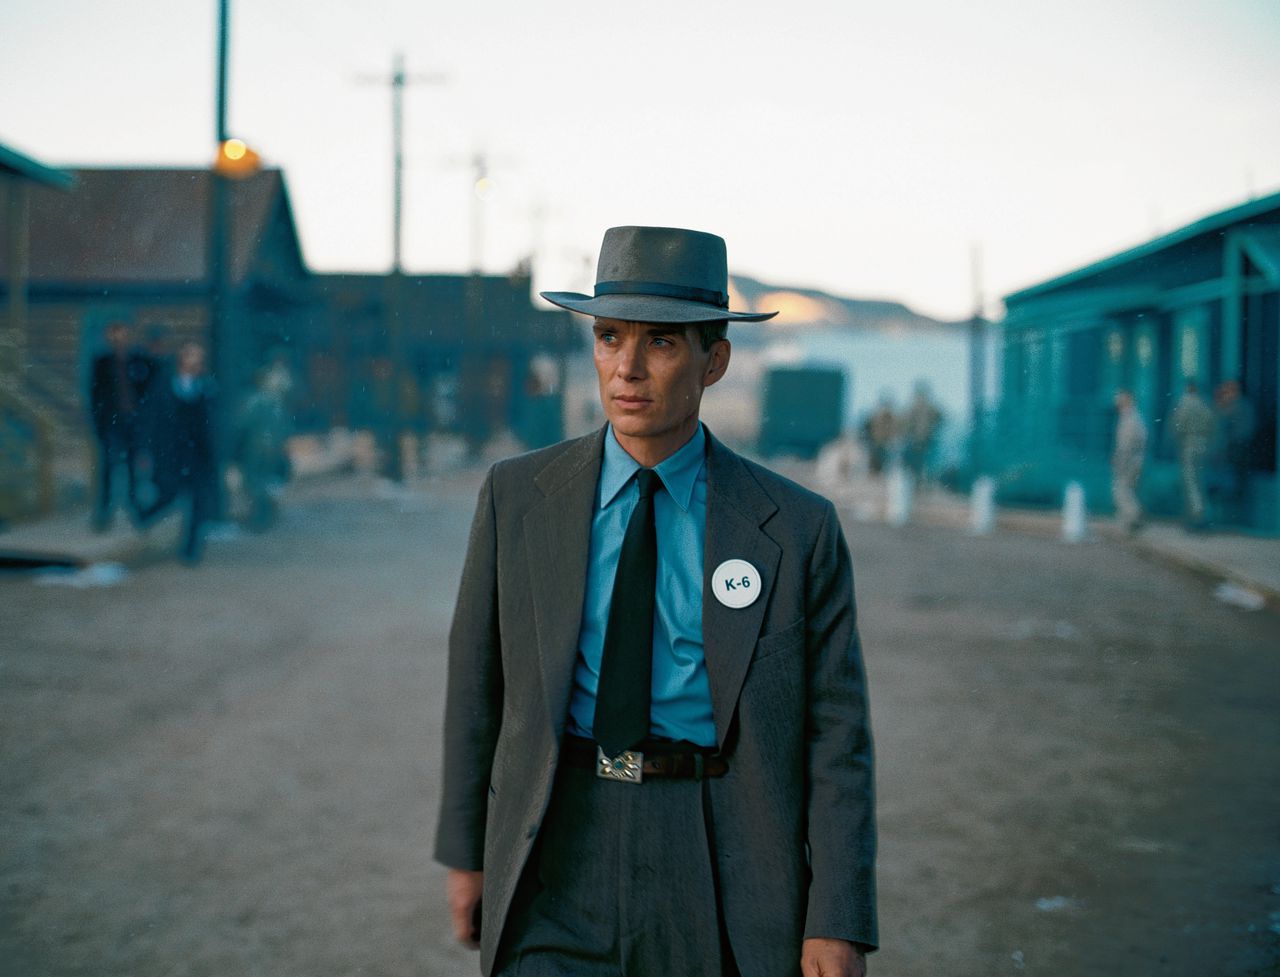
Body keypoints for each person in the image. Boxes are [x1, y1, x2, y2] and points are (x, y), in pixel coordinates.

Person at [435, 226, 877, 977]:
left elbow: (837, 738)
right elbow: (477, 686)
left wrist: (837, 916)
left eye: (662, 343)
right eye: (609, 337)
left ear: (716, 359)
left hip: (718, 849)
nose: (627, 368)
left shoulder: (796, 529)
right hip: (556, 838)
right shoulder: (518, 497)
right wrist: (467, 852)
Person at [137, 342, 218, 564]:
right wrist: (147, 450)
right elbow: (152, 421)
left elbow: (208, 425)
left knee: (198, 502)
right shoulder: (165, 387)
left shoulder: (205, 388)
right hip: (171, 454)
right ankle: (144, 515)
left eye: (199, 359)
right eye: (192, 358)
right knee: (168, 494)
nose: (196, 364)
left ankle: (191, 550)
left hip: (196, 455)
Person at [88, 321, 152, 530]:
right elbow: (96, 395)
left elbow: (145, 389)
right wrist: (100, 421)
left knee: (134, 465)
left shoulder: (138, 360)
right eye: (115, 335)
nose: (119, 339)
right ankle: (105, 510)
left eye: (123, 334)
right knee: (108, 465)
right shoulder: (102, 362)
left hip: (132, 420)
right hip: (111, 421)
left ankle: (135, 507)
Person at [1170, 379, 1215, 529]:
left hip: (1189, 445)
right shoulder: (1204, 404)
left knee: (1190, 482)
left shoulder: (1185, 404)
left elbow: (1178, 425)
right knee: (1199, 481)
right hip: (1203, 444)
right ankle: (1202, 513)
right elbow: (1211, 425)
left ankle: (1197, 514)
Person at [1213, 379, 1256, 525]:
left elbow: (1242, 432)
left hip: (1238, 454)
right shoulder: (1227, 407)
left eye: (1229, 390)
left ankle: (1235, 520)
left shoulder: (1242, 407)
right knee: (1223, 487)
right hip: (1227, 455)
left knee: (1235, 487)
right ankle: (1225, 519)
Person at [1110, 388, 1147, 533]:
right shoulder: (1134, 417)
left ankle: (1134, 516)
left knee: (1121, 491)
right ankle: (1129, 522)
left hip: (1129, 460)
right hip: (1134, 459)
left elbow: (1125, 445)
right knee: (1127, 490)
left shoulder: (1129, 418)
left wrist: (1119, 462)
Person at [901, 381, 942, 484]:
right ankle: (923, 481)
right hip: (925, 439)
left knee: (919, 463)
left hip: (919, 440)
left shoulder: (913, 407)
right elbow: (940, 417)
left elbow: (906, 423)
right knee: (923, 463)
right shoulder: (929, 407)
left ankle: (920, 481)